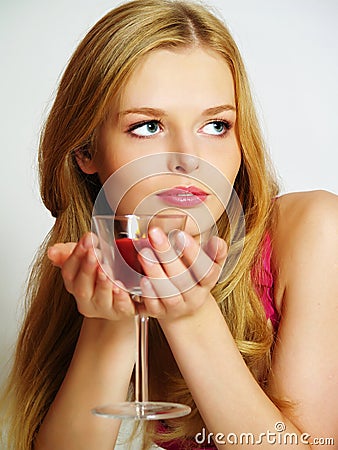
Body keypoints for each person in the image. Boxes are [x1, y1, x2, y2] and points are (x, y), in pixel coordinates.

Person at [1, 0, 337, 449]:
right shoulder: (92, 264)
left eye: (216, 125)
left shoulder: (315, 231)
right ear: (85, 151)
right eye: (148, 126)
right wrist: (112, 321)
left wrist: (192, 316)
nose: (189, 159)